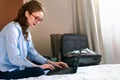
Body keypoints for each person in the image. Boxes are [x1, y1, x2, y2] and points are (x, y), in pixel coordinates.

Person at [0, 0, 68, 79]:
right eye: (36, 18)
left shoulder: (26, 32)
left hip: (18, 68)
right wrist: (38, 66)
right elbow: (14, 58)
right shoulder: (12, 29)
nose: (38, 22)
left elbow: (33, 54)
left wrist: (53, 63)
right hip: (5, 71)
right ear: (27, 14)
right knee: (39, 70)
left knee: (44, 68)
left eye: (40, 20)